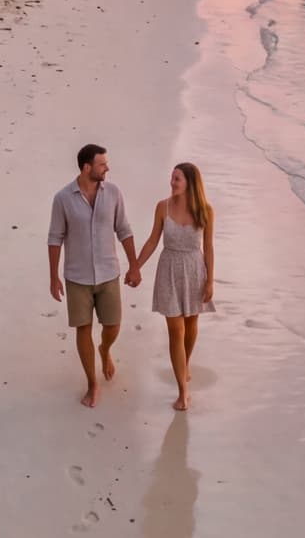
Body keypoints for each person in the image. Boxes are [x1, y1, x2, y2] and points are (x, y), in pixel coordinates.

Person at [48, 143, 142, 408]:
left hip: (109, 272)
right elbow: (55, 237)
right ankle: (92, 383)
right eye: (102, 164)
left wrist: (134, 265)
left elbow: (123, 229)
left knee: (113, 325)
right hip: (77, 277)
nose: (107, 168)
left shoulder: (113, 193)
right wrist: (53, 276)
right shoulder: (63, 198)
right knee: (83, 328)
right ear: (87, 167)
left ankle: (105, 349)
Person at [134, 162, 216, 411]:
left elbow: (209, 247)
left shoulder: (205, 210)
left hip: (194, 270)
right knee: (176, 331)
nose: (172, 182)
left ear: (190, 182)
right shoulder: (163, 207)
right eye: (172, 178)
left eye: (177, 179)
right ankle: (183, 391)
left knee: (191, 325)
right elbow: (152, 240)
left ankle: (184, 363)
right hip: (169, 269)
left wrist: (211, 279)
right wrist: (135, 266)